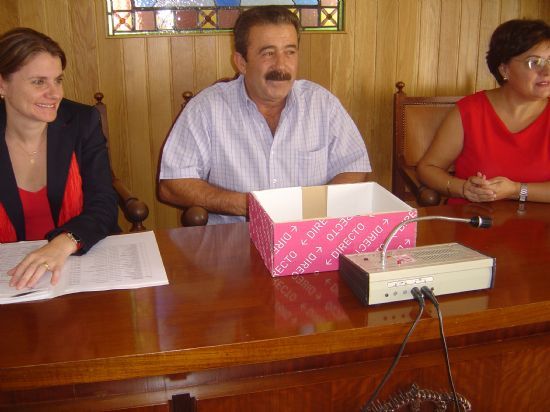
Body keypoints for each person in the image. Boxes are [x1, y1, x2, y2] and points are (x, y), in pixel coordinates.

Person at [159, 6, 371, 225]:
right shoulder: (206, 108)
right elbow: (172, 184)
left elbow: (354, 168)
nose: (281, 65)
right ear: (242, 62)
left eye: (290, 52)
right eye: (268, 53)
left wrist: (316, 210)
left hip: (307, 235)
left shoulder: (322, 104)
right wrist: (250, 206)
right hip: (234, 238)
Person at [0, 28, 118, 290]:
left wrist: (65, 242)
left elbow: (104, 203)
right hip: (9, 277)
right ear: (2, 84)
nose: (55, 94)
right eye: (38, 82)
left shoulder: (82, 122)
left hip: (76, 265)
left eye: (58, 80)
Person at [417, 19, 550, 204]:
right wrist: (462, 188)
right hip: (473, 218)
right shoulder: (470, 111)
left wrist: (516, 190)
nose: (547, 71)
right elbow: (428, 168)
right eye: (534, 62)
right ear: (504, 69)